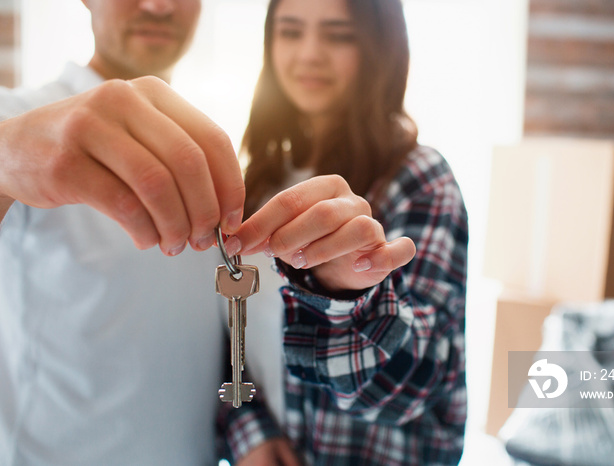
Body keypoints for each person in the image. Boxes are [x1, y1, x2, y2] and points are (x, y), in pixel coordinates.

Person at [218, 0, 469, 464]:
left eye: (338, 35)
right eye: (291, 31)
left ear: (379, 49)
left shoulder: (419, 178)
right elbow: (225, 346)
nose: (310, 53)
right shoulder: (251, 184)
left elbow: (417, 381)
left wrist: (344, 292)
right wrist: (248, 430)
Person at [0, 1, 246, 464]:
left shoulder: (212, 149)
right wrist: (5, 154)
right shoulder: (22, 116)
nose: (159, 5)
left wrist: (252, 432)